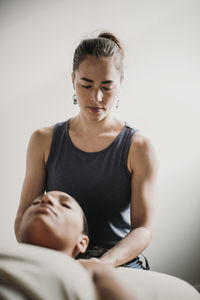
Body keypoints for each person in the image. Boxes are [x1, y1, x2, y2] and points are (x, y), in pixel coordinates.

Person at [14, 31, 159, 269]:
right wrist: (52, 262)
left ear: (120, 84)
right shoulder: (43, 140)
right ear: (73, 81)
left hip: (117, 263)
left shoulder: (139, 147)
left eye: (107, 86)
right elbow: (23, 217)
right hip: (58, 259)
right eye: (86, 84)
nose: (97, 97)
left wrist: (102, 264)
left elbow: (143, 229)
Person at [16, 190, 138, 300]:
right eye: (36, 203)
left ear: (82, 242)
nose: (46, 200)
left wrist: (100, 269)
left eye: (65, 205)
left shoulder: (90, 269)